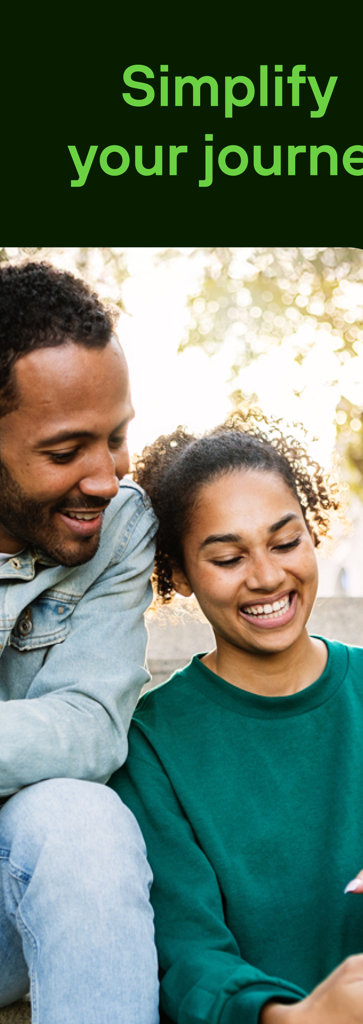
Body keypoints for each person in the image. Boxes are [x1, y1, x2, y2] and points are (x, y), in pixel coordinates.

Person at [110, 411, 363, 1024]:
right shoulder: (150, 742)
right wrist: (296, 1019)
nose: (268, 576)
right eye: (228, 558)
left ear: (313, 532)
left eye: (286, 542)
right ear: (177, 574)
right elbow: (188, 955)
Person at [0, 262, 159, 1023]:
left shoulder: (119, 526)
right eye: (67, 452)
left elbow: (94, 726)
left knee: (81, 817)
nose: (106, 477)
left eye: (118, 438)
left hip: (15, 889)